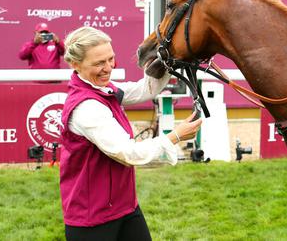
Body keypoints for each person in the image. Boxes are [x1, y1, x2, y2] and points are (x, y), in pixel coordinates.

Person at [59, 26, 202, 241]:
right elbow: (129, 154)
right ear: (75, 65)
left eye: (111, 59)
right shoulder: (85, 107)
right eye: (99, 63)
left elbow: (145, 89)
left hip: (124, 206)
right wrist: (176, 136)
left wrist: (166, 62)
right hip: (92, 219)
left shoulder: (102, 88)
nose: (108, 68)